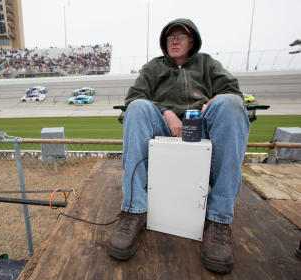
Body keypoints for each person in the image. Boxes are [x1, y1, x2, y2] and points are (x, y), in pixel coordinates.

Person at [107, 18, 250, 274]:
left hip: (202, 125)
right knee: (138, 108)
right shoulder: (153, 67)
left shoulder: (207, 63)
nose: (174, 40)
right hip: (163, 126)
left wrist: (213, 101)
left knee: (231, 104)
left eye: (180, 36)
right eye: (170, 37)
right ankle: (134, 211)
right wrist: (165, 111)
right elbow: (134, 97)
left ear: (191, 40)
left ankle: (218, 220)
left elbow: (232, 91)